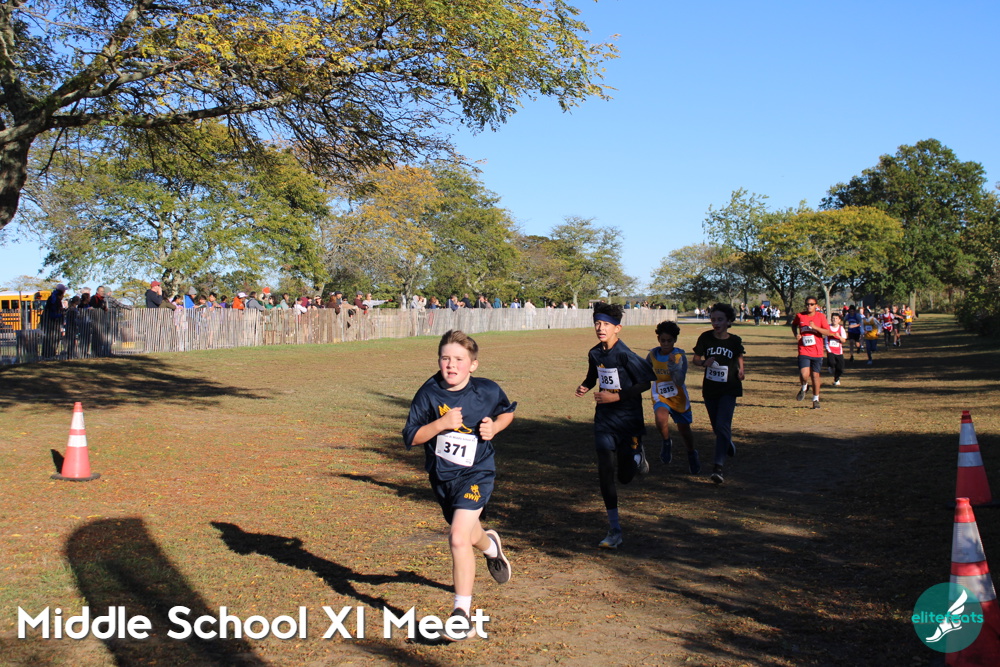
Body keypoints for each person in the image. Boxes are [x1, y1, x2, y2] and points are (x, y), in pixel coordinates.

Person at [402, 330, 516, 639]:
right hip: (443, 478)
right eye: (445, 358)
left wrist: (495, 426)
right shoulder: (428, 393)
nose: (451, 365)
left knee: (456, 537)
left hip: (477, 473)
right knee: (467, 533)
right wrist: (440, 424)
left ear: (473, 365)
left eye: (459, 359)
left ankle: (461, 615)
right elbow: (411, 437)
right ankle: (491, 546)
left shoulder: (487, 390)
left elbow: (507, 412)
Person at [575, 302, 656, 549]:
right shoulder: (594, 353)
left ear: (617, 328)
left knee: (624, 477)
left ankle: (637, 456)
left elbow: (646, 382)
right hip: (604, 419)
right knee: (605, 470)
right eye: (597, 323)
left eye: (606, 324)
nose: (600, 328)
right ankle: (614, 529)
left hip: (628, 420)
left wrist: (617, 397)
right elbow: (594, 374)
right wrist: (585, 385)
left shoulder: (625, 354)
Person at [691, 303, 745, 485]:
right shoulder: (705, 338)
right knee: (717, 427)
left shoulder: (734, 340)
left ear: (728, 321)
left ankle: (718, 468)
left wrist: (741, 370)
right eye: (713, 319)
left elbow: (739, 356)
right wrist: (703, 363)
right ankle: (727, 441)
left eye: (720, 319)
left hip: (729, 388)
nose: (716, 323)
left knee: (723, 425)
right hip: (710, 389)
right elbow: (695, 359)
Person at [646, 320, 700, 474]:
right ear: (658, 339)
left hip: (678, 397)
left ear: (675, 340)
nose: (665, 344)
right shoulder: (652, 354)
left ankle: (692, 453)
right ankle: (666, 442)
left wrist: (673, 367)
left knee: (684, 430)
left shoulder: (679, 356)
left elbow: (679, 381)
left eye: (669, 341)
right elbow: (644, 370)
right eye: (662, 340)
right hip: (660, 395)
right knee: (660, 417)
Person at [792, 297, 833, 409]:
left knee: (815, 376)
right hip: (803, 349)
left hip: (817, 351)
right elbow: (794, 325)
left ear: (816, 305)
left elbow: (827, 332)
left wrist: (815, 327)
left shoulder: (821, 317)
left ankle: (815, 399)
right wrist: (796, 334)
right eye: (807, 304)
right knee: (804, 374)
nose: (809, 306)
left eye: (811, 304)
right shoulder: (800, 316)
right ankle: (804, 386)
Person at [825, 312, 848, 387]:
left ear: (839, 320)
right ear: (831, 319)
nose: (834, 320)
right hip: (830, 349)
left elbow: (844, 340)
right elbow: (825, 337)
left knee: (840, 368)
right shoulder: (828, 327)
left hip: (839, 350)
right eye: (833, 318)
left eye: (836, 318)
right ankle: (830, 367)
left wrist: (839, 336)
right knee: (832, 362)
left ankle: (837, 379)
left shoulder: (841, 328)